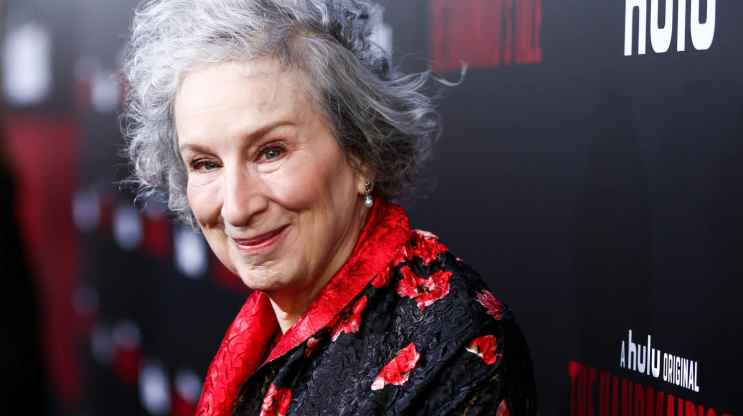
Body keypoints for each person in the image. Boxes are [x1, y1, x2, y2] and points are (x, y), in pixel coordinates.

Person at [122, 0, 537, 414]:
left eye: (270, 152)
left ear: (361, 151)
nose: (236, 208)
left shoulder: (454, 347)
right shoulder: (264, 330)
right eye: (205, 163)